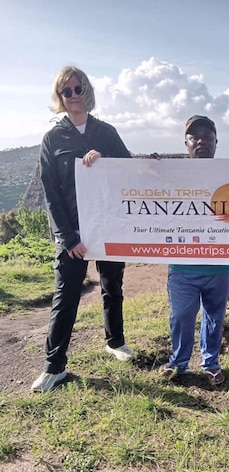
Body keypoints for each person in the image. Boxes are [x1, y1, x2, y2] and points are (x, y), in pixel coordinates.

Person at [31, 66, 134, 393]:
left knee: (112, 286)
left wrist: (104, 162)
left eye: (79, 88)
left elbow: (129, 172)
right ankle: (54, 366)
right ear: (60, 97)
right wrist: (69, 238)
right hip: (72, 235)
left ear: (87, 91)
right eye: (67, 91)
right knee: (65, 297)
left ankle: (115, 341)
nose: (74, 95)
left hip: (107, 227)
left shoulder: (107, 133)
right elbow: (51, 192)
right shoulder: (52, 139)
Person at [159, 115, 229, 385]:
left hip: (221, 264)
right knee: (181, 315)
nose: (201, 140)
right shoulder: (171, 176)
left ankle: (211, 362)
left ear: (216, 142)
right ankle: (178, 361)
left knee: (215, 316)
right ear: (186, 143)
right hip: (182, 266)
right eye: (194, 137)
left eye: (207, 136)